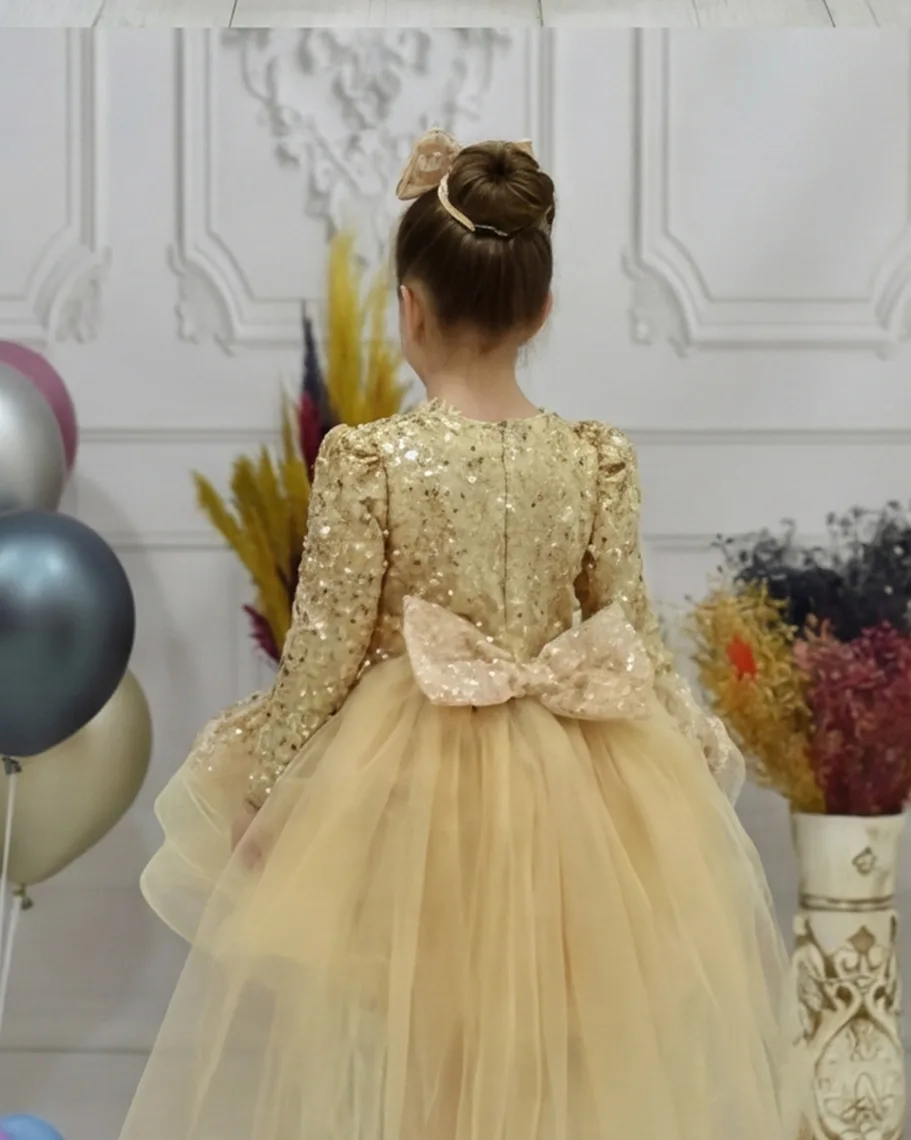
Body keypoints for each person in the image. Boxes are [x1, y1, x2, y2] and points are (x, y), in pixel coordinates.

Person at [119, 129, 798, 1140]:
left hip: (409, 792)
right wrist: (688, 749)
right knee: (548, 1060)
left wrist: (266, 790)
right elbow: (630, 630)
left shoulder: (370, 460)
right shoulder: (593, 459)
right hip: (577, 792)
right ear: (541, 310)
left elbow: (324, 654)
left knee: (420, 1054)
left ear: (409, 308)